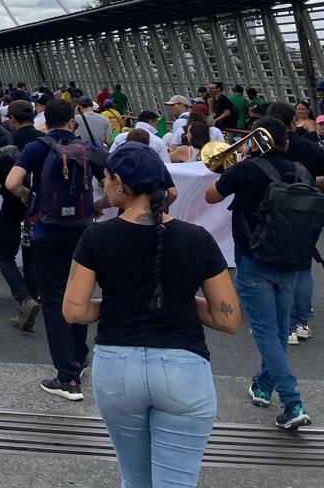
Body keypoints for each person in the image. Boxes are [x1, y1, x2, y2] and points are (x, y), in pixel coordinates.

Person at [63, 142, 241, 486]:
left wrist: (120, 303)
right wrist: (175, 300)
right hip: (183, 372)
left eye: (107, 176)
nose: (103, 180)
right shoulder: (198, 239)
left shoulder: (96, 236)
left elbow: (74, 311)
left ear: (121, 185)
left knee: (135, 479)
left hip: (117, 370)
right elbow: (228, 319)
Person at [205, 116, 320, 429]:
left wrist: (238, 160)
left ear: (257, 140)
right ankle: (263, 385)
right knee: (279, 331)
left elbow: (210, 195)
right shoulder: (301, 171)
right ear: (285, 141)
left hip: (254, 260)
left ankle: (293, 401)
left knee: (268, 333)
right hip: (293, 260)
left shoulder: (245, 168)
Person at [6, 98, 108, 400]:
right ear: (72, 123)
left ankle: (67, 378)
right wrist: (95, 207)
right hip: (83, 233)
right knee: (79, 296)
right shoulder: (88, 149)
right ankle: (80, 357)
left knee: (54, 302)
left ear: (45, 122)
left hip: (47, 232)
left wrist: (31, 198)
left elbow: (13, 182)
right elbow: (116, 191)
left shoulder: (37, 148)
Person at [0, 101, 41, 330]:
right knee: (31, 255)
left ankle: (24, 299)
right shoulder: (44, 141)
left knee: (4, 254)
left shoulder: (6, 143)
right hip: (39, 208)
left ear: (11, 118)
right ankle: (34, 297)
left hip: (12, 208)